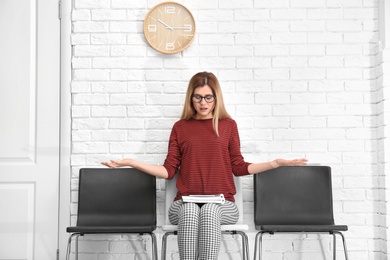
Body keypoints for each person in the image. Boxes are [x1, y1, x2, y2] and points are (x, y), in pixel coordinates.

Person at [102, 71, 307, 260]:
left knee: (209, 210)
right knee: (191, 210)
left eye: (208, 97)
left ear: (216, 98)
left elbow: (238, 166)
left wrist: (275, 163)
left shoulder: (228, 125)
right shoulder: (180, 128)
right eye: (197, 97)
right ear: (190, 98)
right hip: (183, 205)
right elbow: (168, 170)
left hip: (224, 205)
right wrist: (132, 162)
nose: (203, 102)